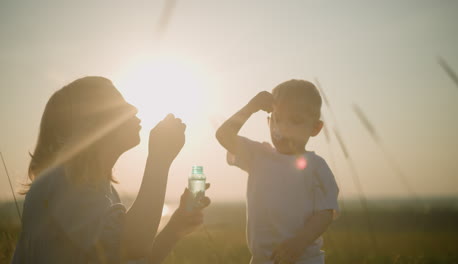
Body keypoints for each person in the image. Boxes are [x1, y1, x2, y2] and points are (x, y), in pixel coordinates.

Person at [12, 76, 210, 264]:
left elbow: (125, 258)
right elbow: (132, 245)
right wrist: (159, 160)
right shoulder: (60, 182)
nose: (133, 108)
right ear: (90, 122)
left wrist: (174, 229)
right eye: (119, 105)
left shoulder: (102, 190)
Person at [216, 79, 339, 264]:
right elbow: (223, 135)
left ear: (315, 128)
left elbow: (325, 213)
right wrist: (251, 107)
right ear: (268, 122)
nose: (282, 127)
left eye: (295, 121)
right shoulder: (258, 156)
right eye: (277, 119)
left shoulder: (316, 167)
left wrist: (299, 242)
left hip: (303, 259)